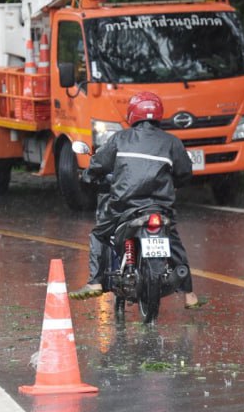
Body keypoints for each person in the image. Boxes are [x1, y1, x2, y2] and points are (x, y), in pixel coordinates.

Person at [70, 91, 203, 309]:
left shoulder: (120, 138)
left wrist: (87, 176)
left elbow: (98, 165)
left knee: (99, 234)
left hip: (125, 206)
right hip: (160, 208)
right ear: (158, 114)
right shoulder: (172, 142)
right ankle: (189, 295)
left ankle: (95, 283)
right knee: (174, 242)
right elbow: (185, 173)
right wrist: (173, 183)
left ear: (132, 114)